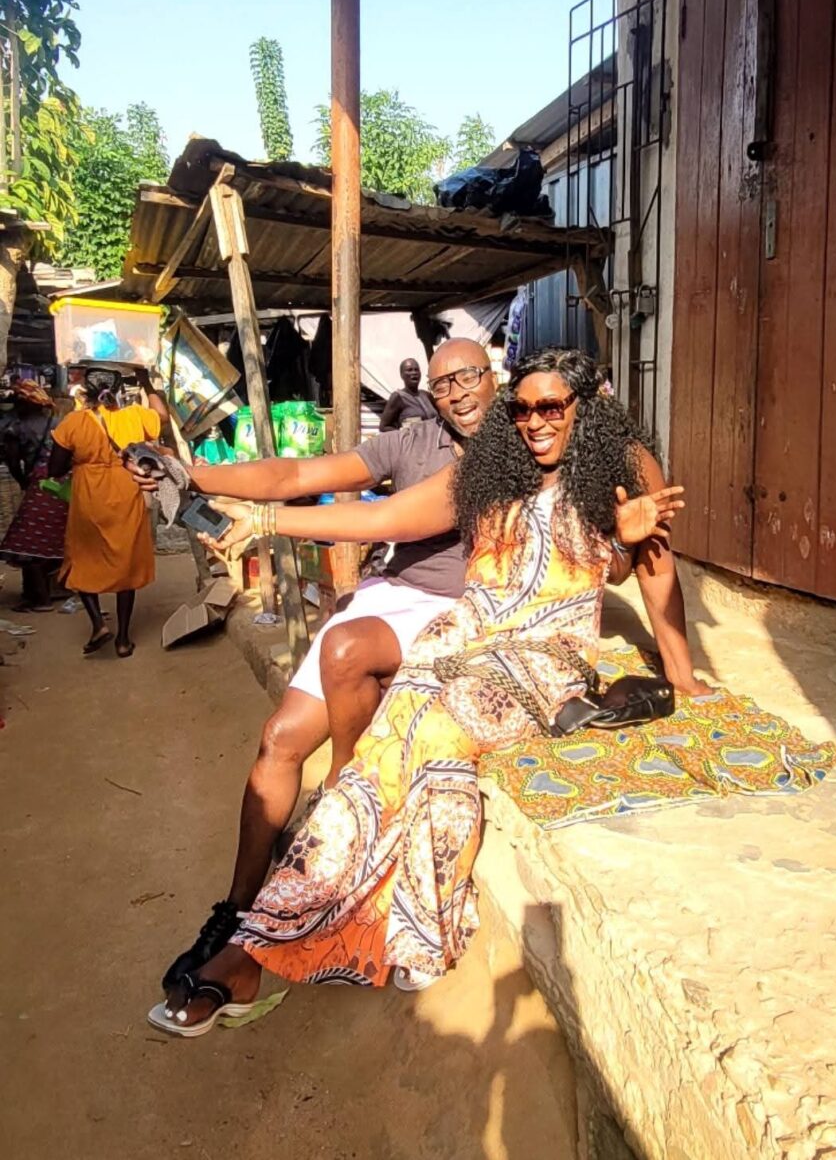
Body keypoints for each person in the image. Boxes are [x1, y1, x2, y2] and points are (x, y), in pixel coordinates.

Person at [149, 348, 687, 1034]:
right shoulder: (487, 468)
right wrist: (263, 521)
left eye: (550, 406)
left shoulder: (623, 464)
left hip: (545, 655)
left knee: (432, 731)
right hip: (463, 634)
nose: (533, 421)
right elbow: (382, 519)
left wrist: (678, 667)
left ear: (587, 407)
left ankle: (391, 929)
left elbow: (644, 568)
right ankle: (259, 938)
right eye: (523, 409)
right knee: (386, 737)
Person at [47, 375, 160, 657]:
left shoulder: (74, 422)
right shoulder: (134, 416)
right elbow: (162, 416)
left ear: (85, 390)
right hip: (126, 494)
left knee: (82, 558)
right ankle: (123, 639)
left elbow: (55, 469)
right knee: (126, 563)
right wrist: (146, 381)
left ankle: (98, 624)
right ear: (120, 389)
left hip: (89, 497)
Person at [0, 381, 68, 611]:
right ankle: (52, 589)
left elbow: (12, 460)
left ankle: (40, 598)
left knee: (28, 542)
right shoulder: (58, 423)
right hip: (64, 484)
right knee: (54, 538)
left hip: (39, 484)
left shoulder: (16, 428)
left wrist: (22, 480)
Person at [378, 357, 438, 432]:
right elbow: (384, 427)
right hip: (413, 442)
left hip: (434, 441)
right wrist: (403, 434)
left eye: (416, 370)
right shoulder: (398, 397)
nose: (414, 373)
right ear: (402, 375)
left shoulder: (427, 395)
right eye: (409, 370)